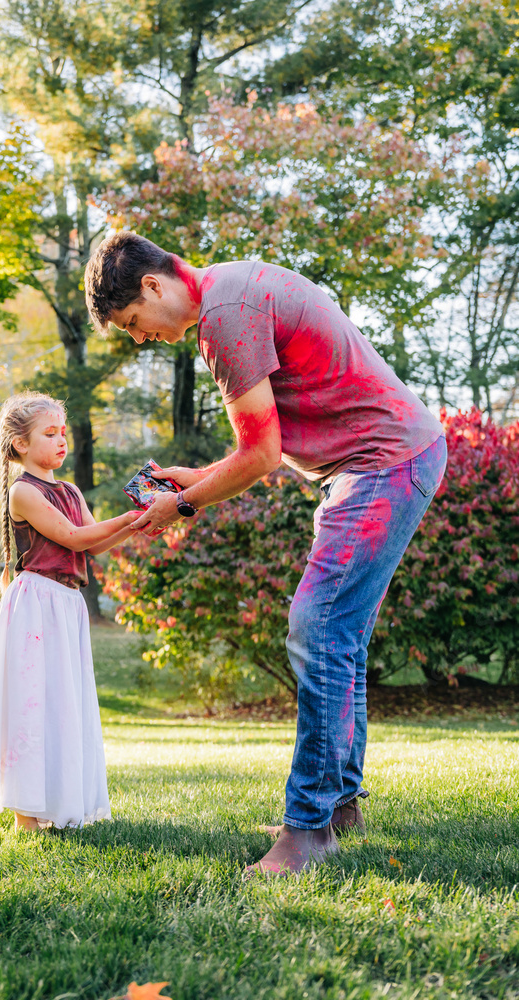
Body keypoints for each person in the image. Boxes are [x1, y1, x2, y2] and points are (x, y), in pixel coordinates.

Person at [84, 231, 447, 876]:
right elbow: (265, 448)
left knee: (318, 627)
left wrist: (181, 505)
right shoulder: (233, 288)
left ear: (153, 285)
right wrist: (196, 480)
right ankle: (338, 807)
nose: (140, 339)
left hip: (382, 463)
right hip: (387, 460)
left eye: (134, 322)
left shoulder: (226, 317)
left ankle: (307, 832)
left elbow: (258, 457)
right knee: (339, 637)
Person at [0, 390, 140, 833]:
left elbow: (95, 542)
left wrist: (141, 521)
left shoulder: (70, 490)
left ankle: (58, 803)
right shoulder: (23, 492)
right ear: (21, 444)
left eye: (62, 432)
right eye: (49, 433)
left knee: (63, 703)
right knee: (32, 701)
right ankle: (26, 815)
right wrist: (130, 519)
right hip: (36, 605)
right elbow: (73, 537)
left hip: (67, 604)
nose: (61, 440)